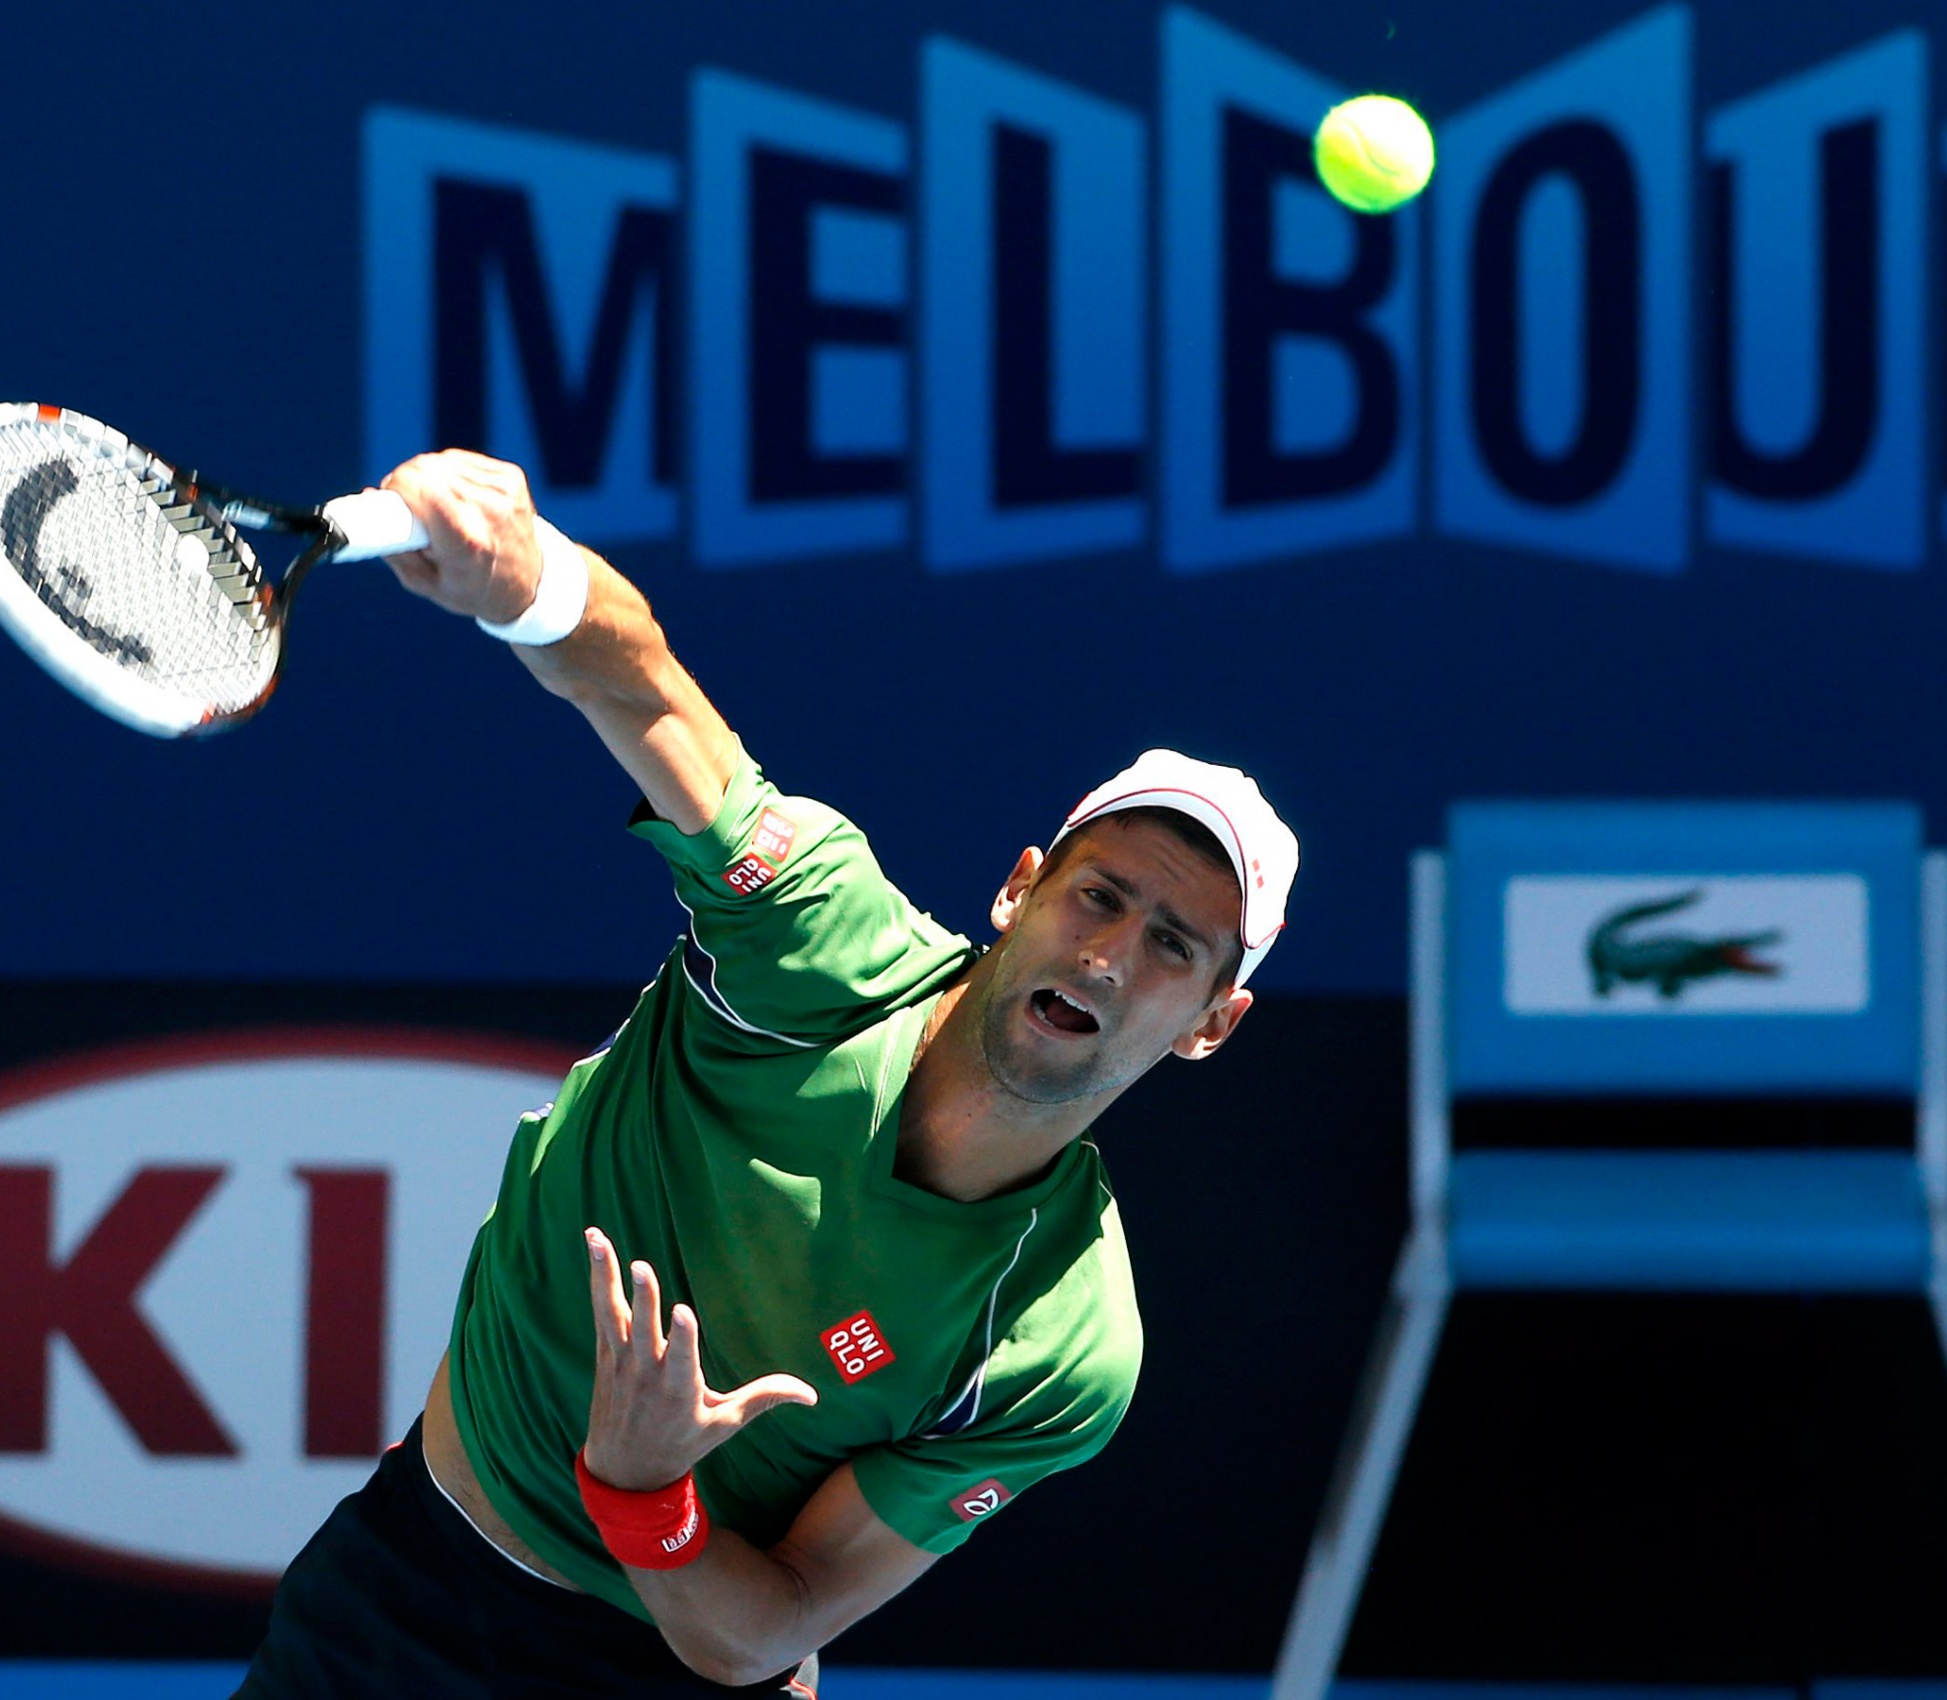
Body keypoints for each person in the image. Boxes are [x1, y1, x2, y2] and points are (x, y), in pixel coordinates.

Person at [236, 450, 1298, 1698]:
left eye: (1171, 945)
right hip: (413, 1592)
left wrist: (645, 1491)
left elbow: (764, 1622)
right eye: (1096, 897)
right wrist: (528, 577)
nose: (1112, 956)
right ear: (1020, 890)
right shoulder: (814, 940)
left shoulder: (1061, 1339)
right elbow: (649, 694)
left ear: (1211, 1023)